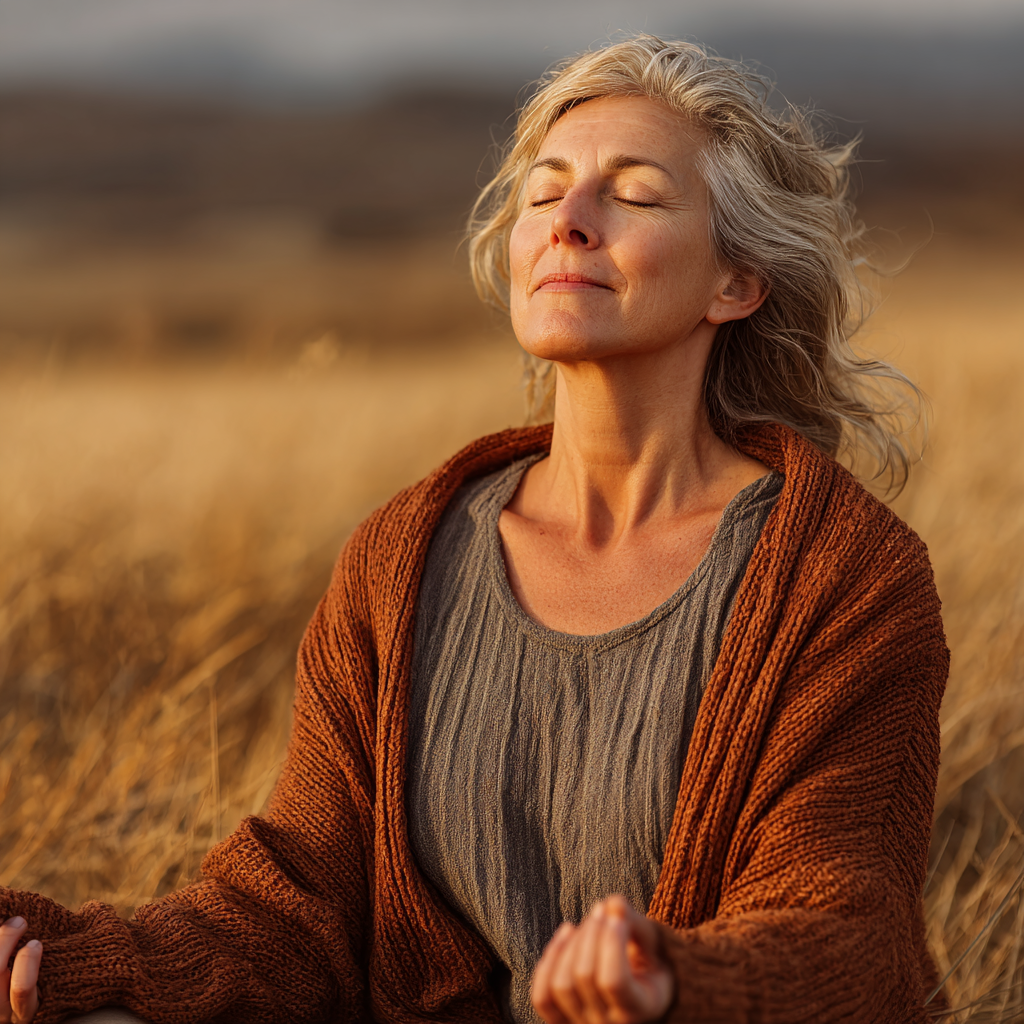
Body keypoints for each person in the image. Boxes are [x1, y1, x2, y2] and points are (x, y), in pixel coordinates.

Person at [1, 34, 948, 1024]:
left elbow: (845, 924)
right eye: (543, 194)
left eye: (631, 196)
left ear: (735, 282)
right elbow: (295, 906)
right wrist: (72, 957)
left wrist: (673, 983)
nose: (568, 223)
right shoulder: (402, 555)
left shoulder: (848, 578)